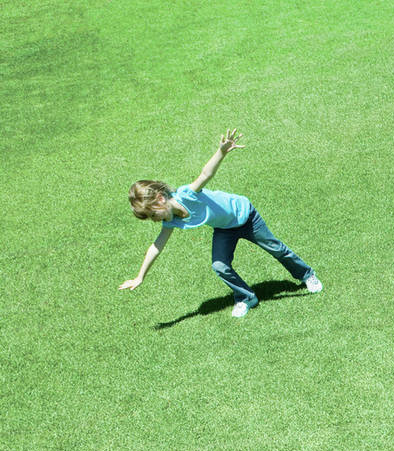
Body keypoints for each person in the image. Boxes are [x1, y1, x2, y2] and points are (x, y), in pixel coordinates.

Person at [121, 129, 322, 318]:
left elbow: (205, 174)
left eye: (152, 214)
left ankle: (307, 275)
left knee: (276, 249)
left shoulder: (186, 195)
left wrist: (222, 151)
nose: (154, 219)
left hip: (246, 216)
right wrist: (140, 276)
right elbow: (156, 247)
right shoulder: (171, 221)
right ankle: (246, 297)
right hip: (225, 228)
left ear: (160, 199)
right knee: (219, 265)